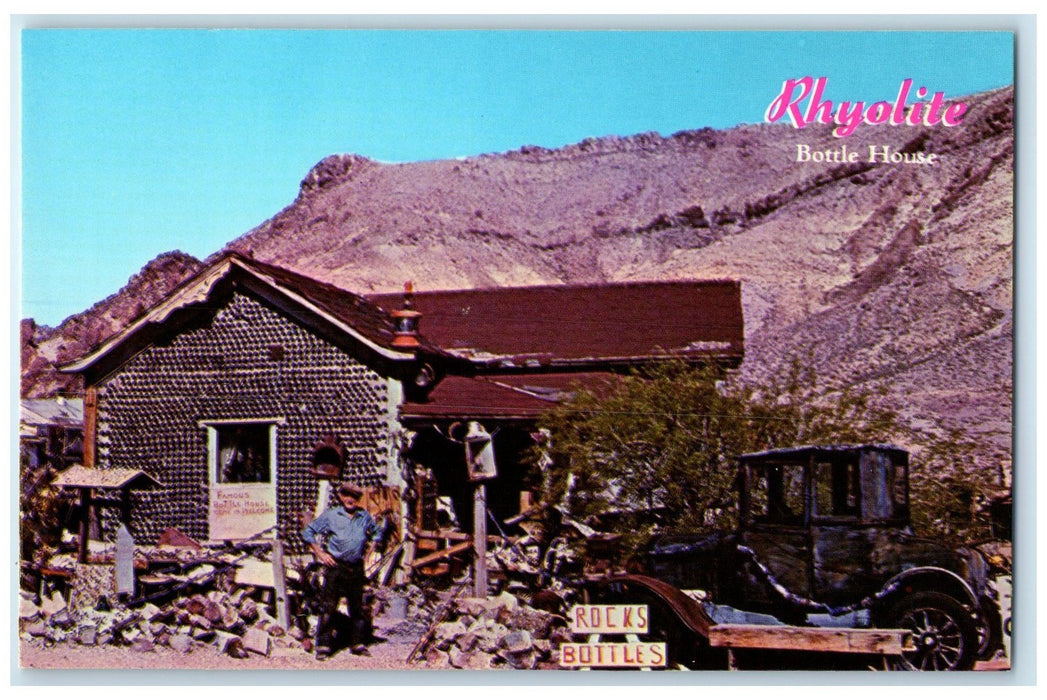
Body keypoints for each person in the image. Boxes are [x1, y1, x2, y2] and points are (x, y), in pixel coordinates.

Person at [301, 481, 381, 659]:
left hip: (355, 568)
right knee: (328, 606)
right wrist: (320, 553)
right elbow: (308, 532)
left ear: (358, 499)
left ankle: (357, 643)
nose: (350, 499)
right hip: (335, 566)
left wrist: (368, 555)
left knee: (357, 607)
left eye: (354, 496)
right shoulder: (331, 515)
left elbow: (377, 534)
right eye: (346, 495)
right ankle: (323, 645)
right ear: (340, 497)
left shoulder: (364, 516)